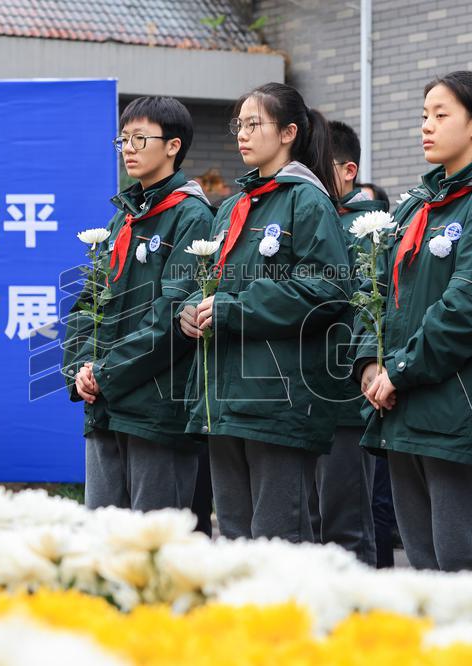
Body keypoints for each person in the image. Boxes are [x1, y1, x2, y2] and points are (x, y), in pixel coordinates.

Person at [352, 71, 472, 571]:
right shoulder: (418, 204)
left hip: (461, 412)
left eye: (440, 115)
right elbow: (375, 288)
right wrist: (370, 362)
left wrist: (399, 369)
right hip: (404, 406)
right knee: (425, 570)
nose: (426, 126)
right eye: (423, 116)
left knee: (467, 566)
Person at [179, 82, 352, 542]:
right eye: (239, 124)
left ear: (289, 132)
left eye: (254, 124)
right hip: (224, 396)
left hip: (277, 399)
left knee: (278, 541)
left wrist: (234, 309)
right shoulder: (234, 205)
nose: (241, 133)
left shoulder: (306, 200)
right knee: (236, 540)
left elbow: (328, 288)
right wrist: (191, 310)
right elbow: (211, 283)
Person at [63, 96, 214, 512]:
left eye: (140, 139)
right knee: (103, 535)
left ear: (173, 146)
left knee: (153, 538)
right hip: (104, 405)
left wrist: (105, 372)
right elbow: (89, 304)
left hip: (155, 412)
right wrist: (81, 369)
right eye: (123, 140)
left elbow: (174, 313)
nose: (128, 148)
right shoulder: (124, 217)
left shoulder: (192, 216)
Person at [306, 120, 386, 565]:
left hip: (344, 397)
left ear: (348, 170)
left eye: (318, 165)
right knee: (307, 526)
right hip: (299, 396)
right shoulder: (303, 215)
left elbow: (371, 308)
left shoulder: (370, 229)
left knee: (345, 526)